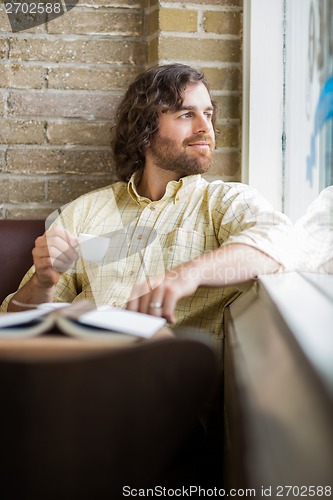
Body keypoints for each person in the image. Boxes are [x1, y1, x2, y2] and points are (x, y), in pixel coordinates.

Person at [1, 64, 291, 355]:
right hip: (72, 371)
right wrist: (42, 282)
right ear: (145, 129)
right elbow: (13, 324)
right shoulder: (84, 211)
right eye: (187, 114)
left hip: (158, 382)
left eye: (208, 114)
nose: (206, 127)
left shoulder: (222, 202)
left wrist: (185, 276)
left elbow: (279, 241)